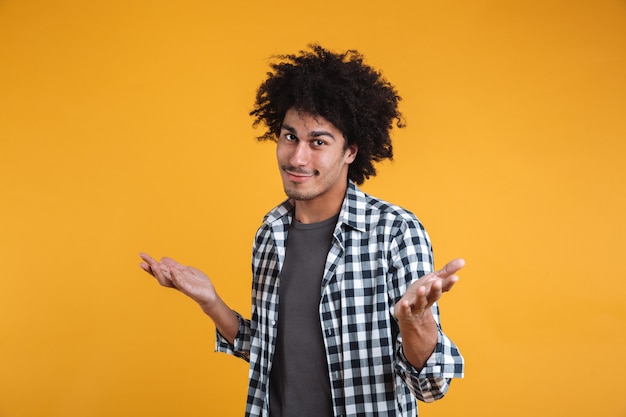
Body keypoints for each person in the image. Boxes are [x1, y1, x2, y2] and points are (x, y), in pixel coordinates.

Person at [139, 44, 464, 417]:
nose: (297, 158)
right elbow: (269, 354)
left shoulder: (394, 232)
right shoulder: (270, 234)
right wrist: (210, 302)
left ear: (350, 151)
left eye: (318, 142)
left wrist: (415, 323)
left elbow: (432, 386)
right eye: (290, 137)